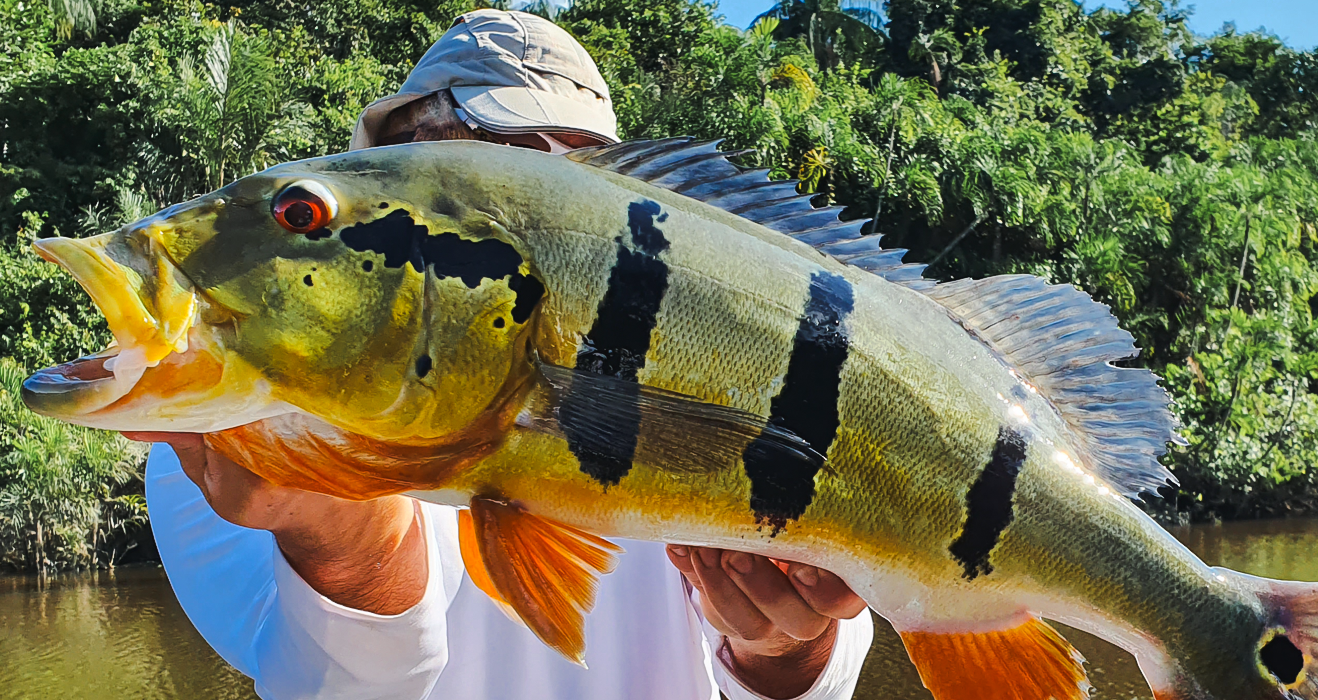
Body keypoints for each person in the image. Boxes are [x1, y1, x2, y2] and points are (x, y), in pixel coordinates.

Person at [129, 10, 875, 700]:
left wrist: (785, 650)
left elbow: (815, 671)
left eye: (571, 175)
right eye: (482, 158)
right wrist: (342, 549)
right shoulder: (214, 440)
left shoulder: (703, 360)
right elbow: (337, 685)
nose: (525, 202)